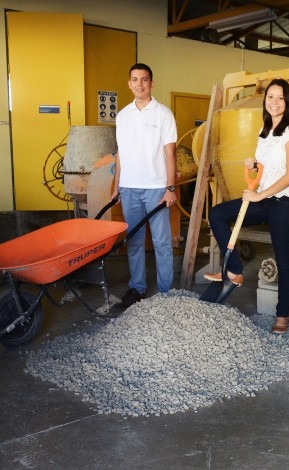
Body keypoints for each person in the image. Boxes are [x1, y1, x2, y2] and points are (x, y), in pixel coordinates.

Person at [206, 78, 289, 334]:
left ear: (288, 102)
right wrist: (253, 166)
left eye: (280, 97)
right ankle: (235, 270)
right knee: (217, 214)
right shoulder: (265, 131)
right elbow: (268, 170)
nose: (274, 102)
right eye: (270, 97)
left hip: (285, 204)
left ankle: (282, 315)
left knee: (283, 259)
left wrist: (260, 197)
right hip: (264, 199)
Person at [112, 63, 178, 309]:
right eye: (135, 79)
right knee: (135, 241)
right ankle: (137, 288)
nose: (139, 84)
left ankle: (165, 293)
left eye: (144, 79)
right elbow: (120, 153)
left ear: (152, 83)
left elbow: (170, 154)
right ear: (129, 83)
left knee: (161, 242)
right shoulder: (123, 116)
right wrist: (117, 185)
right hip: (129, 188)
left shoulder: (163, 114)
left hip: (156, 189)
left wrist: (170, 188)